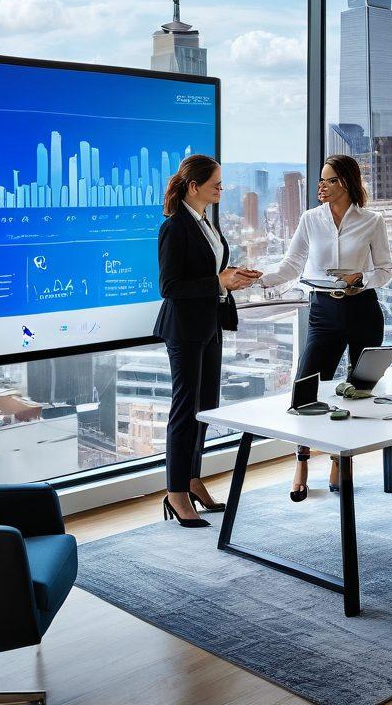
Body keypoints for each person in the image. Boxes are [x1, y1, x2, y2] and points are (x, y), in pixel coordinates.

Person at [260, 155, 392, 501]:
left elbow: (385, 271)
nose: (320, 186)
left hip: (363, 309)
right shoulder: (310, 220)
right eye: (320, 180)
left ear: (345, 183)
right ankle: (302, 461)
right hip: (323, 311)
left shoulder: (372, 221)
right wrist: (260, 280)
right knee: (305, 391)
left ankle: (339, 459)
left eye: (328, 180)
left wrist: (359, 278)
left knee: (359, 390)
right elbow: (291, 265)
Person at [153, 154, 260, 528]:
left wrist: (232, 278)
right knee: (185, 410)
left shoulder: (205, 222)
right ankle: (175, 492)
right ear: (194, 186)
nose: (221, 188)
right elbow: (168, 287)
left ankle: (192, 479)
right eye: (216, 183)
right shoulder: (174, 227)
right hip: (184, 329)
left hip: (210, 323)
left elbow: (210, 273)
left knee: (205, 407)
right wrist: (218, 282)